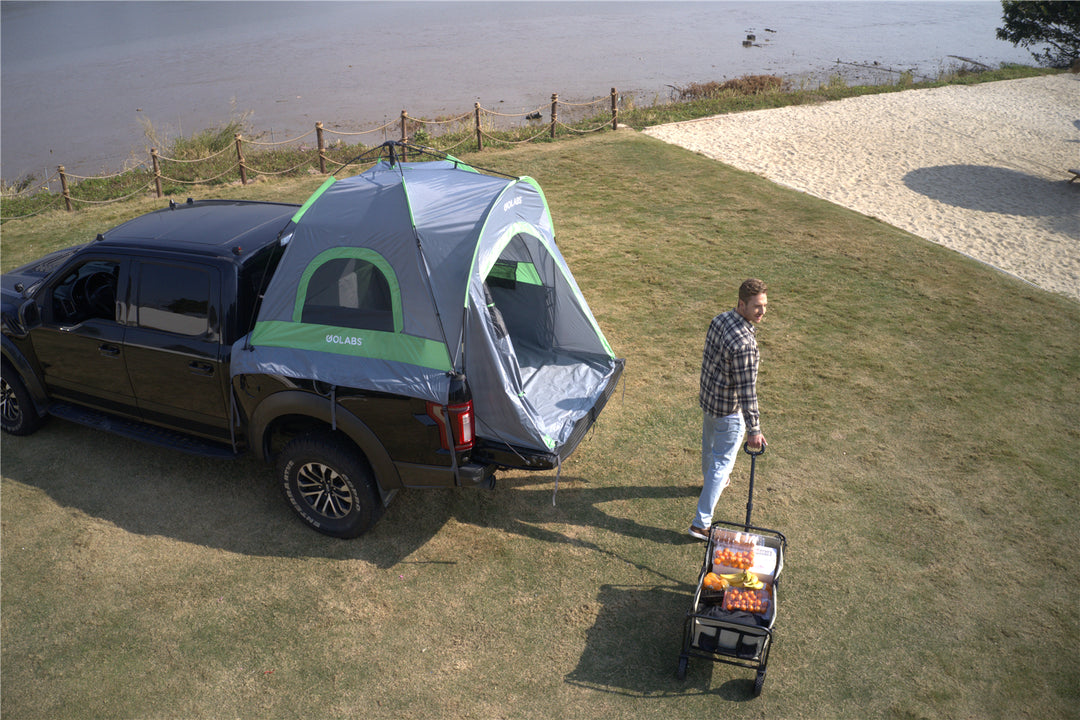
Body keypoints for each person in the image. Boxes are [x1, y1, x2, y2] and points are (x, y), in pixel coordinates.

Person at [690, 278, 768, 541]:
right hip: (729, 411)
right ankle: (701, 524)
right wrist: (754, 429)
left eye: (765, 306)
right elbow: (747, 391)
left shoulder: (720, 319)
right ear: (741, 304)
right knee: (722, 463)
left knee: (709, 451)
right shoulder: (745, 344)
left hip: (710, 401)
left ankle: (712, 484)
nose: (762, 311)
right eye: (757, 306)